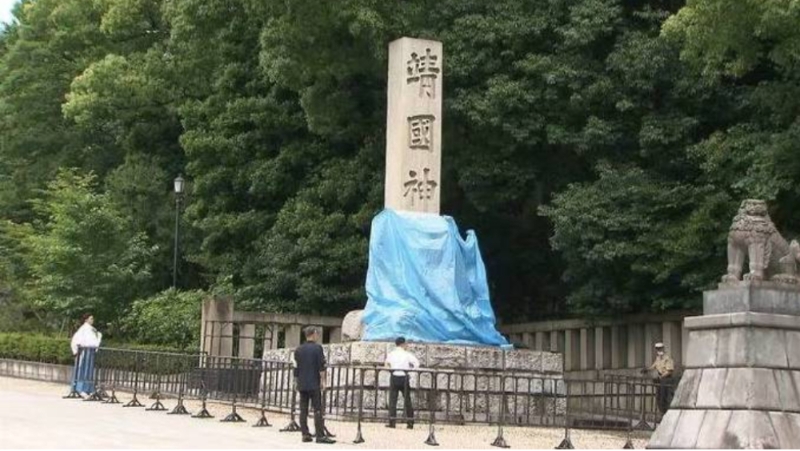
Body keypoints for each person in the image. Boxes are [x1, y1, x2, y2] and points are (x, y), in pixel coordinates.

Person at [293, 326, 335, 444]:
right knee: (317, 409)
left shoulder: (298, 349)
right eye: (317, 333)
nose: (318, 336)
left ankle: (305, 434)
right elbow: (321, 367)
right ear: (314, 334)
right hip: (313, 383)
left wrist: (296, 382)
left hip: (302, 382)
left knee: (303, 409)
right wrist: (323, 381)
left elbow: (296, 367)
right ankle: (320, 435)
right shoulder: (317, 348)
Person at [385, 336, 420, 429]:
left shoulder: (391, 354)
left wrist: (391, 370)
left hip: (394, 376)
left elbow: (386, 364)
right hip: (404, 377)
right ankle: (410, 422)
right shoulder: (407, 354)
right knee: (407, 400)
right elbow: (417, 363)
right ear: (403, 344)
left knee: (393, 400)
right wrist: (410, 370)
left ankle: (392, 422)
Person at [70, 314, 102, 395]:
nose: (92, 320)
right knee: (83, 370)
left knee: (89, 370)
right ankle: (80, 389)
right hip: (85, 351)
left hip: (90, 351)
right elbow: (76, 340)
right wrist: (76, 351)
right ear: (86, 320)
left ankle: (88, 388)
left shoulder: (92, 329)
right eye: (91, 318)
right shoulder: (84, 329)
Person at [648, 342, 675, 414]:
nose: (658, 350)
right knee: (658, 397)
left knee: (664, 397)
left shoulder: (667, 358)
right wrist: (647, 369)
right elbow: (654, 365)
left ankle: (665, 413)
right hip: (660, 380)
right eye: (657, 349)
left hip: (666, 379)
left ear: (663, 349)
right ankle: (662, 412)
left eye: (660, 349)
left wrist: (661, 377)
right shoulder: (658, 358)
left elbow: (669, 371)